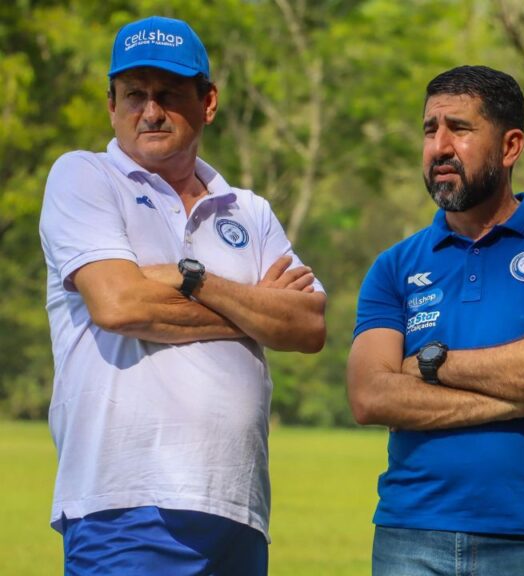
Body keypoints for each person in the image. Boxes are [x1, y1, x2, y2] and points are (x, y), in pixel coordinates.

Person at [39, 15, 326, 575]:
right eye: (133, 95)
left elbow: (309, 325)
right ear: (111, 105)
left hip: (237, 507)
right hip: (123, 501)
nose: (149, 111)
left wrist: (191, 277)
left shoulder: (250, 209)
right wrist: (254, 310)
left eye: (168, 95)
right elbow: (120, 306)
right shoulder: (84, 176)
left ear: (208, 101)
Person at [347, 65, 524, 575]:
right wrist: (520, 395)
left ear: (511, 147)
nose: (439, 147)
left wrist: (426, 363)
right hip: (410, 535)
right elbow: (369, 395)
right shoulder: (394, 267)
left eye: (460, 129)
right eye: (430, 129)